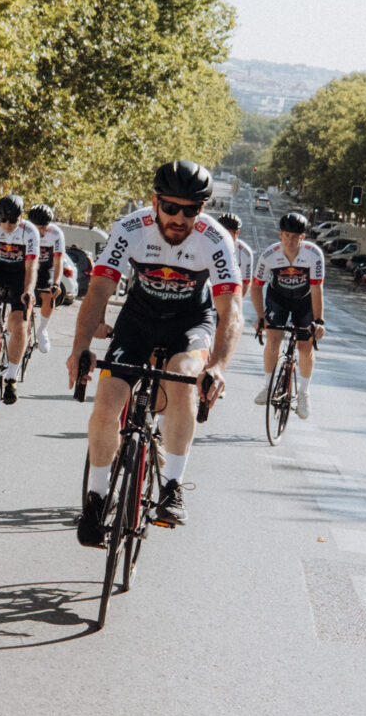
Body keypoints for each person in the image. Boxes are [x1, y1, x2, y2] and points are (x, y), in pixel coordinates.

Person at [66, 160, 242, 537]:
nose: (179, 218)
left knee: (181, 380)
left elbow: (232, 311)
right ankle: (96, 499)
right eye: (171, 207)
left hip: (190, 323)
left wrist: (218, 367)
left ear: (202, 210)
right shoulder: (131, 228)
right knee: (107, 403)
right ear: (155, 201)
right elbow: (98, 291)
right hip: (138, 321)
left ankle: (172, 487)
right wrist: (80, 347)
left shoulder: (215, 239)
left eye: (190, 211)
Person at [251, 210, 325, 418]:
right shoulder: (269, 255)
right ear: (280, 235)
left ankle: (303, 394)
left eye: (295, 237)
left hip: (305, 300)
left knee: (305, 346)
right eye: (286, 236)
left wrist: (318, 321)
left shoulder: (313, 255)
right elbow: (256, 287)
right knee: (273, 338)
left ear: (303, 237)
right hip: (279, 299)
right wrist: (261, 316)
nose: (290, 241)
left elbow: (317, 288)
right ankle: (267, 387)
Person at [0, 194, 40, 405]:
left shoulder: (30, 232)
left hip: (21, 275)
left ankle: (11, 379)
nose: (8, 225)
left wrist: (28, 291)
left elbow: (32, 267)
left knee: (19, 325)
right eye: (4, 220)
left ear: (21, 217)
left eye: (13, 220)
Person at [27, 204, 65, 352]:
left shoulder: (56, 233)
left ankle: (42, 329)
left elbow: (58, 262)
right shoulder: (24, 231)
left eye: (44, 227)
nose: (41, 231)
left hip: (46, 267)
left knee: (49, 293)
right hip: (27, 266)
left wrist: (56, 283)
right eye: (38, 227)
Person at [215, 208, 253, 298]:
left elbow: (246, 282)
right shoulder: (209, 245)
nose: (224, 236)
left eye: (228, 233)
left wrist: (238, 300)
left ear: (237, 233)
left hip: (232, 289)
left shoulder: (245, 253)